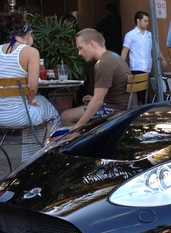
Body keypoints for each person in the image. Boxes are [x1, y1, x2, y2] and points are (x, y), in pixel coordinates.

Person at [0, 12, 62, 160]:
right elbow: (33, 87)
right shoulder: (31, 52)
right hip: (22, 116)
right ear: (28, 34)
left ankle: (30, 158)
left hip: (1, 115)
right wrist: (29, 101)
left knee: (37, 106)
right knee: (49, 109)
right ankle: (46, 156)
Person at [61, 29, 134, 129]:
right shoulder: (114, 56)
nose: (79, 53)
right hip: (126, 106)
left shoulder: (103, 63)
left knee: (65, 117)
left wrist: (78, 126)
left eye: (81, 48)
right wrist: (94, 99)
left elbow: (97, 101)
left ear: (92, 44)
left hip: (116, 110)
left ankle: (87, 140)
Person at [121, 11, 163, 104]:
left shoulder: (150, 35)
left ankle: (141, 108)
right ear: (138, 20)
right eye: (145, 21)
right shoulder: (130, 34)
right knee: (142, 93)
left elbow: (155, 49)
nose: (147, 23)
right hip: (136, 67)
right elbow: (125, 50)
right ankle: (146, 108)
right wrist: (121, 65)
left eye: (148, 21)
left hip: (147, 67)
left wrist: (162, 58)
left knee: (143, 91)